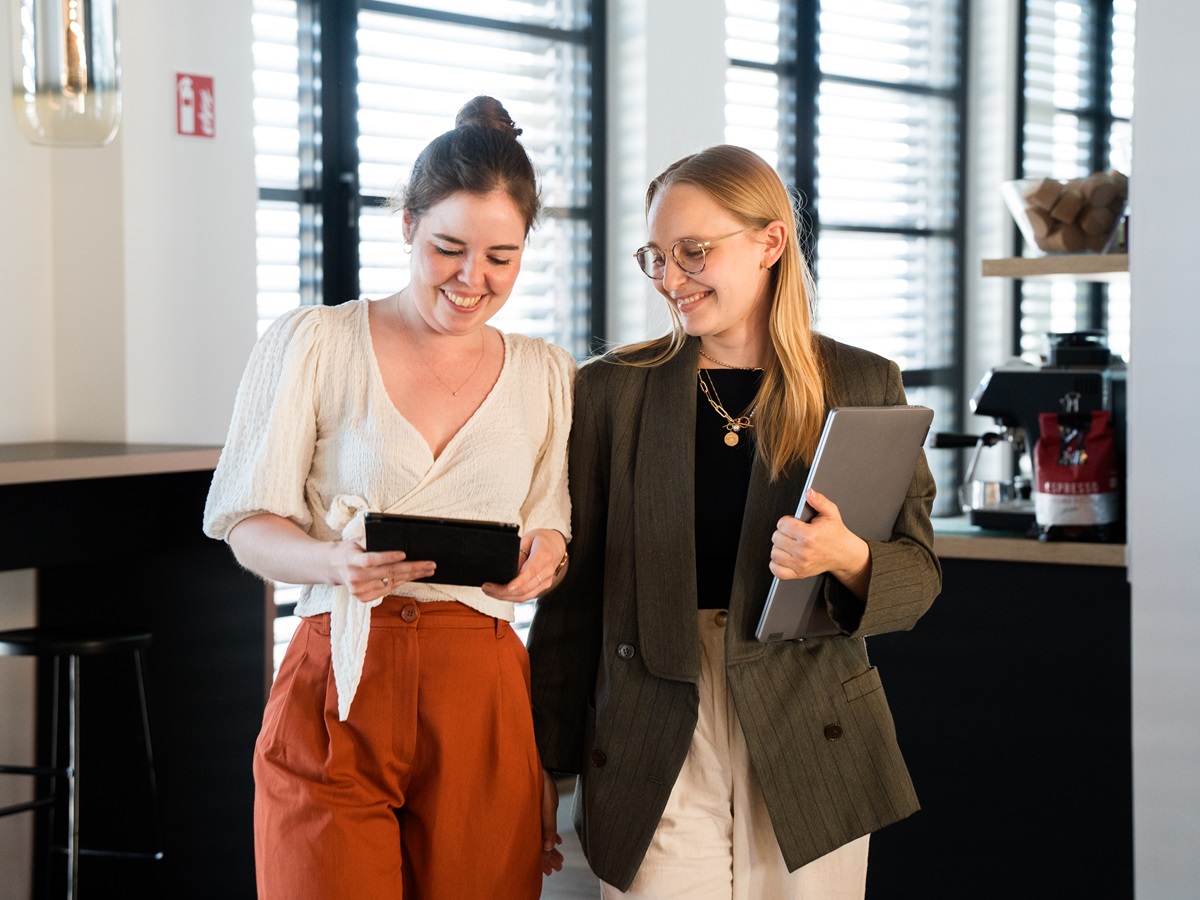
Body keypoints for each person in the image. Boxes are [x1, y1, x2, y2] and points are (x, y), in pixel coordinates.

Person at [527, 144, 941, 900]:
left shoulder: (861, 381)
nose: (671, 280)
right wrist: (543, 772)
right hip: (652, 724)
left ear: (770, 242)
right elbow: (572, 602)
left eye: (694, 253)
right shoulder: (609, 393)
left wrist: (849, 558)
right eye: (656, 257)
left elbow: (920, 576)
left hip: (808, 725)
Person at [203, 96, 573, 899]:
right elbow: (245, 524)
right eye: (448, 248)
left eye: (501, 258)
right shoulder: (315, 343)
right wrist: (329, 561)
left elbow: (552, 524)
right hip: (339, 676)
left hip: (481, 696)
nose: (472, 280)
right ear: (406, 225)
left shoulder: (548, 375)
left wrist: (543, 559)